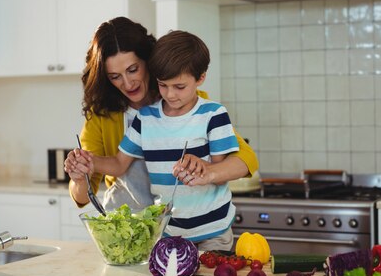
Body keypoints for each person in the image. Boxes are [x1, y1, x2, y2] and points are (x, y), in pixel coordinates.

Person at [64, 17, 257, 223]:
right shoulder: (102, 116)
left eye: (132, 70)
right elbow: (83, 196)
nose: (128, 83)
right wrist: (79, 174)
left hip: (175, 225)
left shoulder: (189, 104)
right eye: (115, 76)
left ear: (148, 62)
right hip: (128, 226)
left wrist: (207, 171)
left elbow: (246, 158)